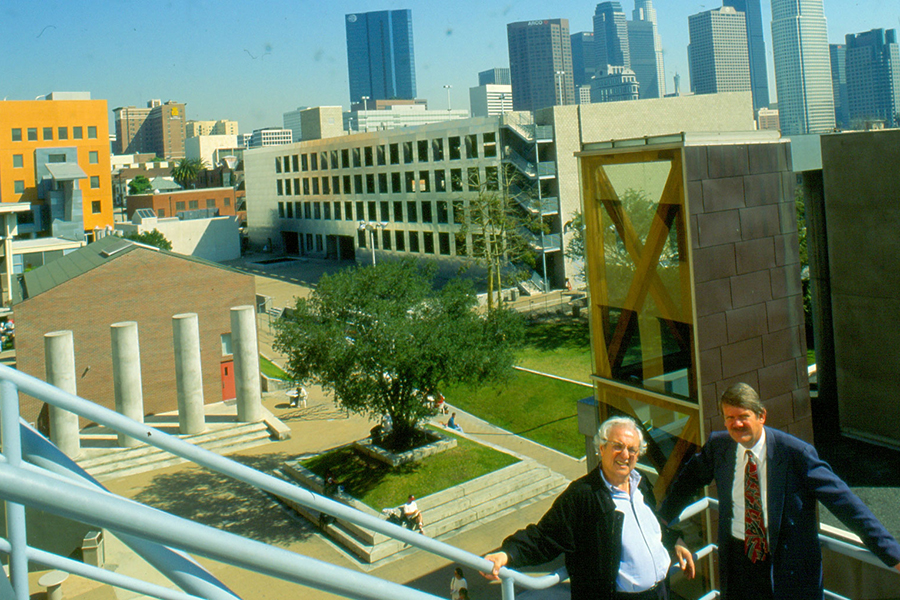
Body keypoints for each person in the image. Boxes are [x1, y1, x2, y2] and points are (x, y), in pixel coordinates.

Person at [659, 382, 900, 600]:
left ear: (761, 416)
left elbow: (845, 503)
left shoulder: (796, 454)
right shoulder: (718, 447)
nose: (736, 424)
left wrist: (893, 554)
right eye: (729, 417)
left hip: (787, 568)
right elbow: (686, 483)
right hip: (738, 563)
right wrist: (661, 521)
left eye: (744, 416)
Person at [483, 416, 694, 600]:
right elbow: (545, 537)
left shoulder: (641, 484)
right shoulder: (583, 494)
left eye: (632, 449)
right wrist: (507, 554)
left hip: (661, 592)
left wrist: (673, 540)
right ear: (601, 448)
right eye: (617, 446)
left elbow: (650, 526)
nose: (625, 454)